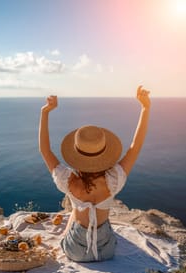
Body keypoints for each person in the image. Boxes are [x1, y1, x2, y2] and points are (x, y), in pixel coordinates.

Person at [39, 86, 151, 262]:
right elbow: (135, 146)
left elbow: (45, 150)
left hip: (75, 251)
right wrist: (145, 108)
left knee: (74, 213)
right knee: (99, 223)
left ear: (77, 156)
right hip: (106, 251)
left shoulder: (68, 181)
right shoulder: (113, 180)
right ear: (104, 153)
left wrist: (45, 112)